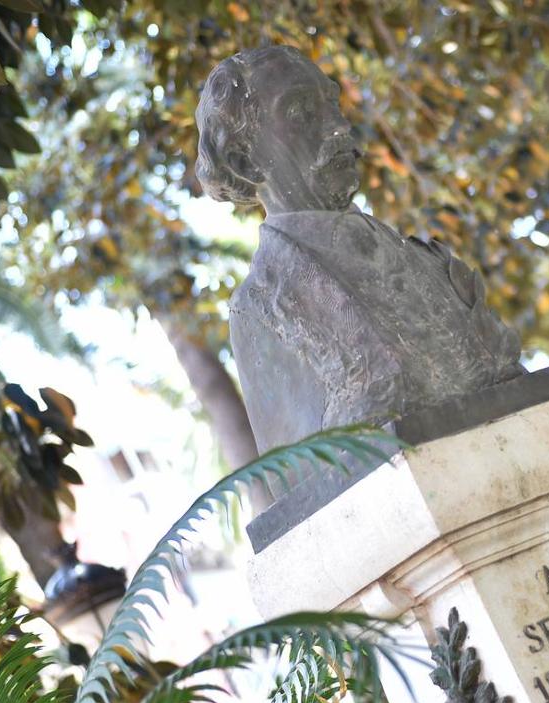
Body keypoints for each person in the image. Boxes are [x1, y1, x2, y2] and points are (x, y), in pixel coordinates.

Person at [195, 46, 523, 454]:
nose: (338, 127)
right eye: (301, 113)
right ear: (243, 161)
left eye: (333, 104)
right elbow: (306, 474)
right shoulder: (260, 310)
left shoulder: (427, 260)